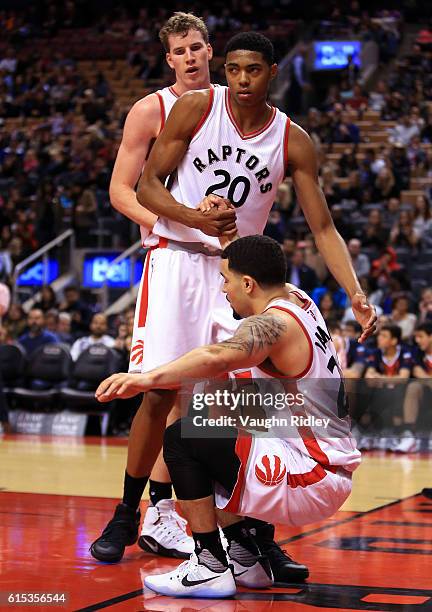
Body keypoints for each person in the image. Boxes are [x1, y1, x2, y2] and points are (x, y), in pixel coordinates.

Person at [91, 28, 376, 578]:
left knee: (239, 407)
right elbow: (147, 186)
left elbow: (323, 227)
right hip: (176, 258)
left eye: (254, 70)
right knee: (157, 390)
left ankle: (247, 539)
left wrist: (355, 292)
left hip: (237, 276)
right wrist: (197, 218)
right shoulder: (197, 107)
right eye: (235, 69)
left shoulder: (293, 139)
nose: (242, 80)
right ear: (226, 70)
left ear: (273, 72)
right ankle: (129, 513)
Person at [95, 235, 361, 599]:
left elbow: (217, 356)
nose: (222, 289)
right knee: (216, 417)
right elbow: (262, 259)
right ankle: (244, 556)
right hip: (320, 464)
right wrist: (222, 235)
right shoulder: (301, 300)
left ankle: (210, 565)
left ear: (248, 284)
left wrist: (145, 378)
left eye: (226, 279)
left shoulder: (272, 326)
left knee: (182, 439)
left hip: (310, 476)